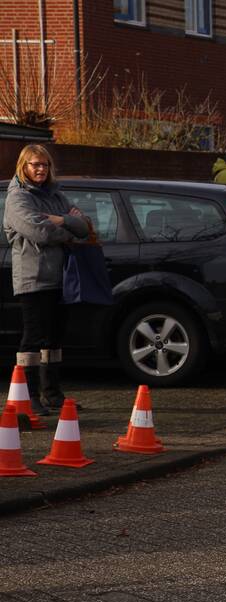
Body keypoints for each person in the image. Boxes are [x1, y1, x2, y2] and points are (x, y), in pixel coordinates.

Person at [2, 145, 94, 415]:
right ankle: (28, 396)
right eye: (34, 164)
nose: (41, 169)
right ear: (23, 167)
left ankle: (52, 393)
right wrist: (67, 228)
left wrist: (59, 219)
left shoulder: (56, 195)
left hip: (60, 277)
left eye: (44, 164)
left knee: (54, 338)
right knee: (33, 338)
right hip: (34, 277)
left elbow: (85, 225)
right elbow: (38, 231)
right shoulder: (18, 198)